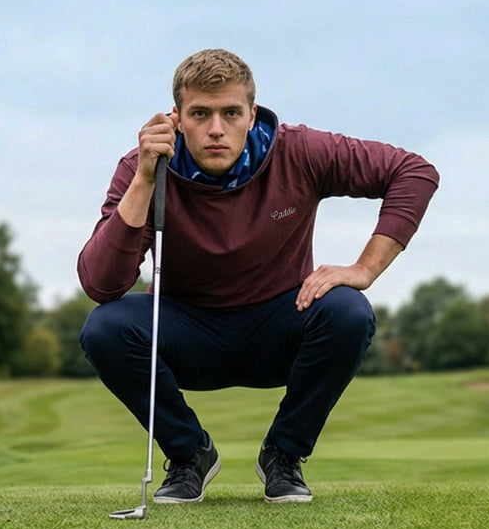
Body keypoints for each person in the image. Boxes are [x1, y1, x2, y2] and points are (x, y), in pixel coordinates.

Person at [77, 48, 439, 504]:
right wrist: (145, 180)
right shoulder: (143, 167)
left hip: (279, 328)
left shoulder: (299, 150)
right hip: (186, 331)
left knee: (348, 310)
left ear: (252, 114)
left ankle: (283, 455)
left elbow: (413, 172)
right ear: (177, 118)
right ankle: (190, 455)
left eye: (230, 112)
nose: (215, 128)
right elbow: (101, 285)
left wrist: (365, 268)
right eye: (200, 113)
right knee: (104, 327)